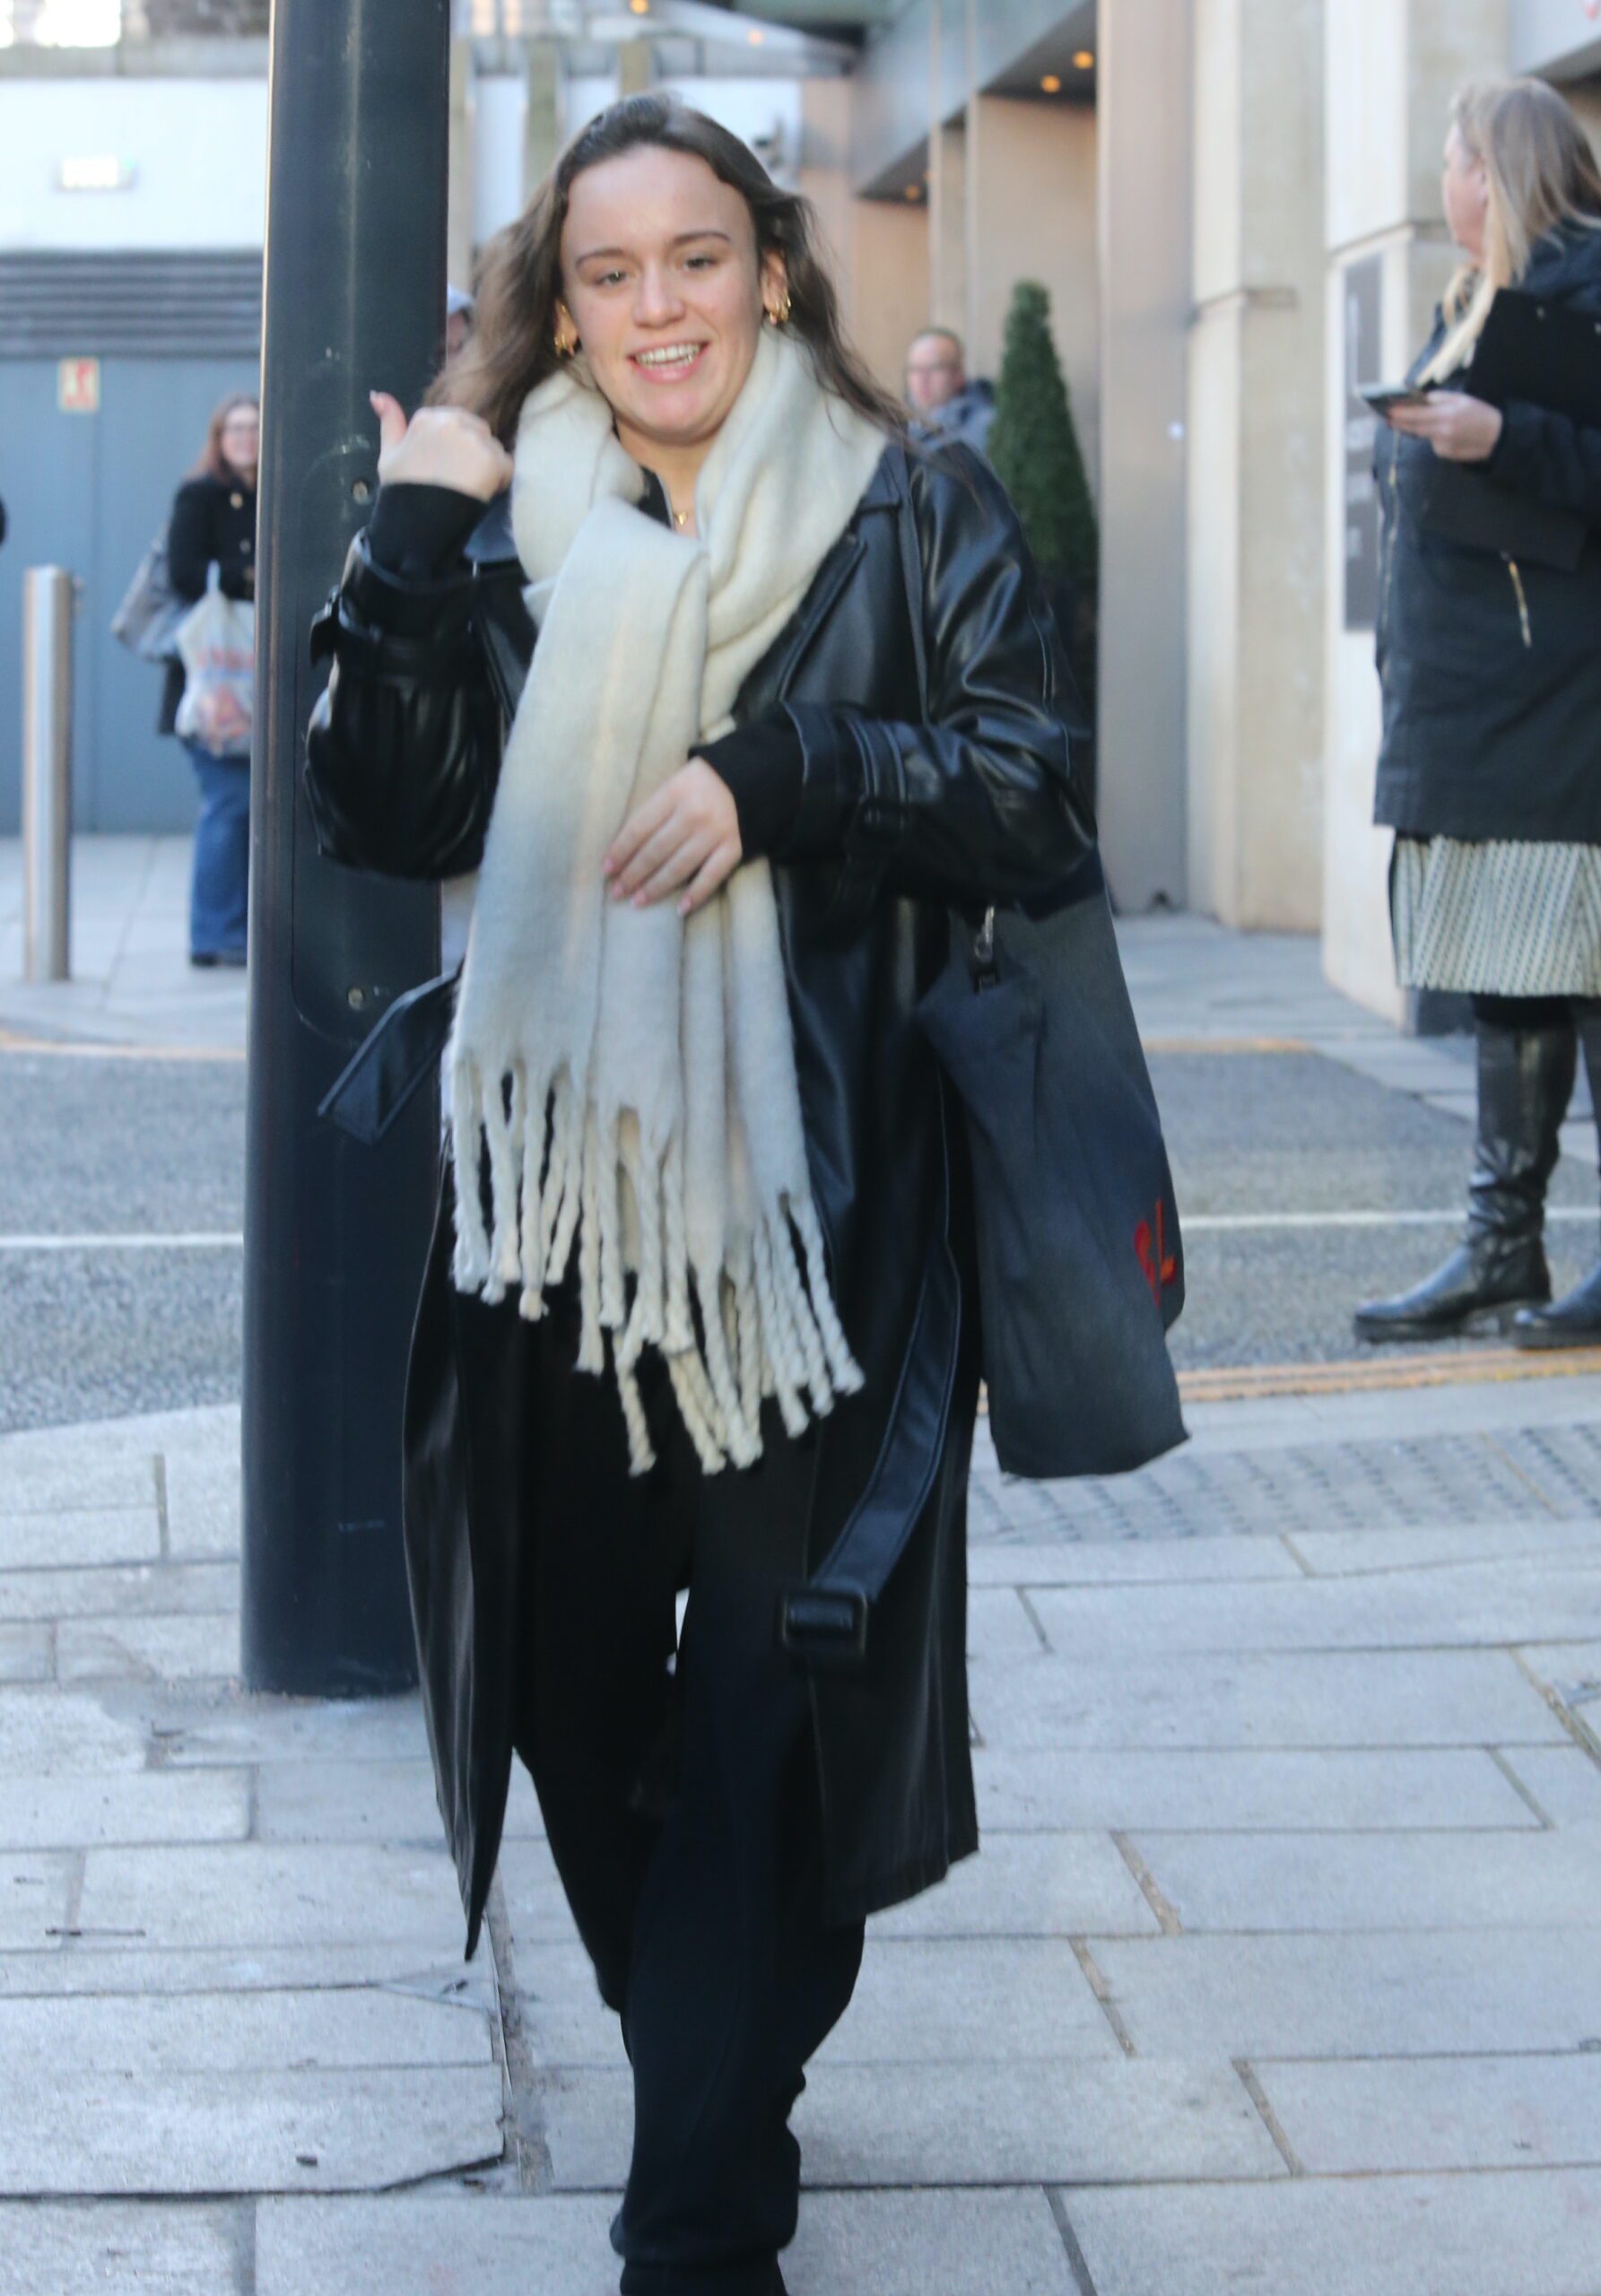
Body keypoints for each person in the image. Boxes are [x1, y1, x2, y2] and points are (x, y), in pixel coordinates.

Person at [303, 94, 1091, 2296]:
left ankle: (698, 2214)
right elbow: (381, 810)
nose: (660, 306)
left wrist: (786, 771)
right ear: (559, 309)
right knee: (567, 1676)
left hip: (808, 1229)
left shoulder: (911, 504)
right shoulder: (513, 518)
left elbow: (1034, 793)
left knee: (765, 1693)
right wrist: (410, 541)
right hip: (552, 1222)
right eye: (610, 272)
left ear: (772, 268)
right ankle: (728, 2039)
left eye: (699, 259)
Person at [1354, 78, 1601, 1347]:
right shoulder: (1471, 304)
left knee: (1589, 976)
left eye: (1453, 161)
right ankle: (1499, 1250)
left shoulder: (1590, 288)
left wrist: (1502, 431)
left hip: (1562, 710)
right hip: (1470, 708)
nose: (1441, 184)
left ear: (1494, 172)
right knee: (1509, 979)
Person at [161, 394, 258, 967]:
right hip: (212, 681)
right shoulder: (199, 494)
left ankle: (231, 928)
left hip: (257, 679)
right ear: (219, 438)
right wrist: (247, 578)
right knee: (229, 802)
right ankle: (213, 933)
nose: (246, 437)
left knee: (247, 807)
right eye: (235, 429)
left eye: (254, 427)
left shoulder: (276, 490)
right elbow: (182, 572)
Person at [904, 324, 996, 455]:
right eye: (915, 369)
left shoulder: (985, 426)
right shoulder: (898, 425)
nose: (922, 378)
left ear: (958, 374)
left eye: (934, 368)